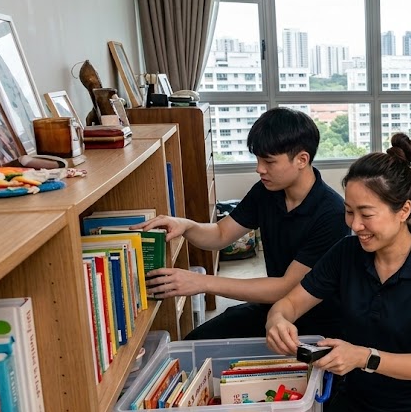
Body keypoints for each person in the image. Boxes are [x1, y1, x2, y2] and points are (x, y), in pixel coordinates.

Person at [265, 133, 411, 412]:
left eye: (366, 214)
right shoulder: (345, 253)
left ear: (404, 211)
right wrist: (277, 319)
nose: (355, 225)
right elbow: (290, 301)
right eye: (349, 212)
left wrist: (363, 357)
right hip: (356, 399)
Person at [135, 107, 348, 340]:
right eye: (257, 159)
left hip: (318, 320)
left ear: (302, 159)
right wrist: (186, 226)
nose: (259, 169)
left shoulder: (332, 213)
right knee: (196, 341)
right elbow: (220, 233)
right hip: (274, 308)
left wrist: (203, 282)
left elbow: (287, 287)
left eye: (269, 161)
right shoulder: (267, 191)